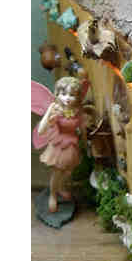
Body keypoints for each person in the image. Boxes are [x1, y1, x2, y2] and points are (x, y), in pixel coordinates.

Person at [37, 77, 86, 212]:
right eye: (63, 94)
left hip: (72, 144)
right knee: (57, 172)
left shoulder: (78, 110)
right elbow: (41, 130)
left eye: (72, 95)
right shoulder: (56, 110)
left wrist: (85, 140)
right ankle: (52, 195)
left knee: (68, 170)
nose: (67, 98)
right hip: (59, 144)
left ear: (77, 96)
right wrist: (49, 113)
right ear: (57, 94)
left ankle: (60, 188)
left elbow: (82, 126)